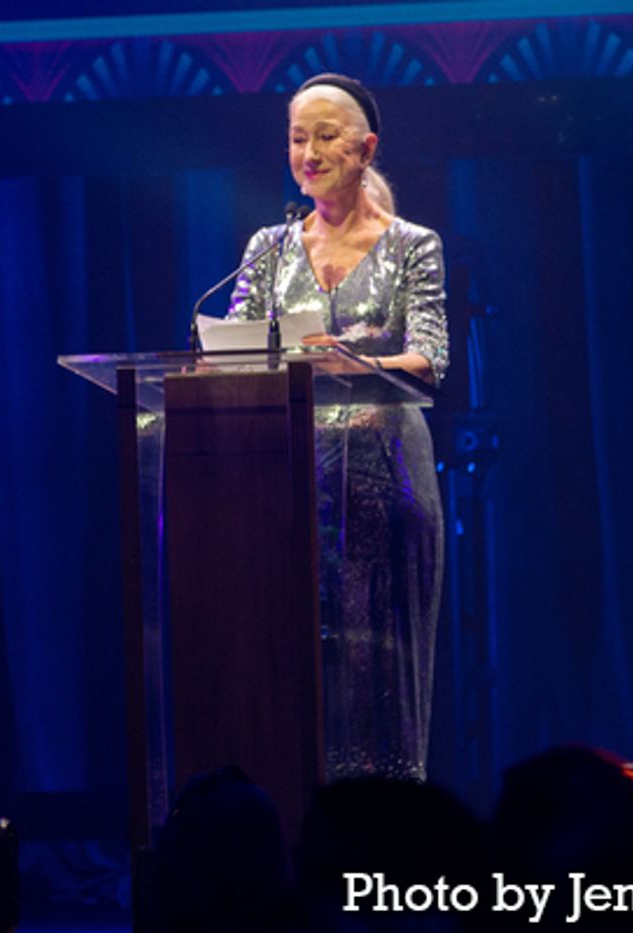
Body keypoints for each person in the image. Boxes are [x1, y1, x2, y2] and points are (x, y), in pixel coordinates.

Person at [227, 73, 447, 782]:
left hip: (386, 481)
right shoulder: (269, 246)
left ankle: (385, 844)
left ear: (366, 148)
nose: (309, 151)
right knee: (295, 663)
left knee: (377, 663)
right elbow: (231, 349)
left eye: (326, 136)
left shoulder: (413, 243)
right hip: (288, 484)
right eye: (298, 138)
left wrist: (351, 361)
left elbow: (431, 359)